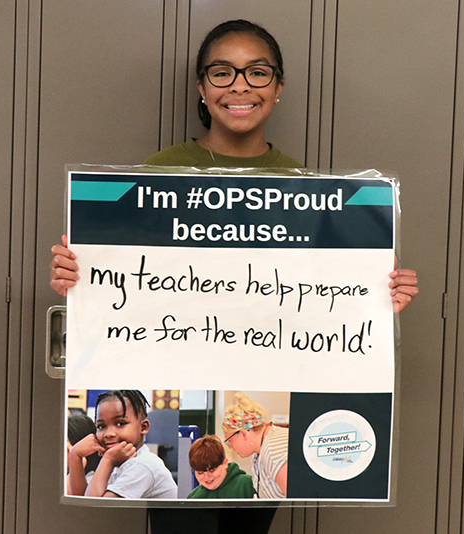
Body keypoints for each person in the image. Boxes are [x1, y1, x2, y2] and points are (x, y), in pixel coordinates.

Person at [50, 17, 418, 533]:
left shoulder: (304, 186)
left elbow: (322, 294)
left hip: (258, 381)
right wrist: (75, 275)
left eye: (257, 72)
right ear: (202, 87)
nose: (240, 86)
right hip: (180, 367)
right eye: (222, 73)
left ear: (279, 85)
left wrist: (381, 296)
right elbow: (122, 281)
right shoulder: (161, 172)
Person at [68, 389, 177, 499]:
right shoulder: (119, 462)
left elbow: (94, 510)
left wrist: (108, 460)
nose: (109, 434)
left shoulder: (143, 465)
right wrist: (75, 455)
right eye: (101, 426)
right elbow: (81, 499)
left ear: (143, 427)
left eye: (120, 423)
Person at [222, 394, 287, 499]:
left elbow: (298, 502)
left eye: (229, 441)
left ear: (243, 433)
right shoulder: (258, 449)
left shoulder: (273, 452)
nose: (230, 447)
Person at [188, 435, 256, 499]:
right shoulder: (194, 498)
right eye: (200, 473)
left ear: (225, 463)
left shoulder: (248, 485)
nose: (207, 477)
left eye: (212, 470)